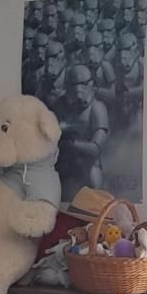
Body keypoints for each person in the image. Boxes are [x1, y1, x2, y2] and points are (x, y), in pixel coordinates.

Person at [56, 65, 109, 199]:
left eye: (83, 84)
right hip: (65, 169)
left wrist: (71, 144)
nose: (78, 89)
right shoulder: (60, 105)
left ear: (91, 84)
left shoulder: (97, 108)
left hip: (89, 170)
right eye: (73, 85)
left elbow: (96, 148)